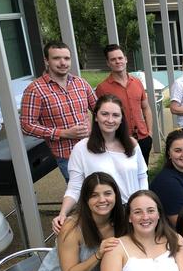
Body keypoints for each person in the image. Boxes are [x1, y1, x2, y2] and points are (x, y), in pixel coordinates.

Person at [52, 95, 148, 233]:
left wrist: (143, 201)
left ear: (121, 119)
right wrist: (63, 213)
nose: (110, 120)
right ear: (96, 116)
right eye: (105, 114)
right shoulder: (81, 149)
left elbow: (142, 176)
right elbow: (74, 187)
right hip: (104, 216)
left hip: (133, 212)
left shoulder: (132, 144)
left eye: (115, 115)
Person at [20, 41, 97, 181]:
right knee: (83, 196)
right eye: (56, 58)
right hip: (68, 157)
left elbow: (99, 109)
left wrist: (94, 126)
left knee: (105, 192)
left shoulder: (80, 83)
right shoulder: (35, 90)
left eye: (66, 58)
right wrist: (63, 133)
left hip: (92, 149)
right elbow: (27, 125)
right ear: (46, 61)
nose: (63, 63)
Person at [96, 44, 153, 165]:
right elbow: (100, 117)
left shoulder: (137, 82)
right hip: (119, 141)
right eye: (113, 59)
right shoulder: (103, 88)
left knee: (144, 174)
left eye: (120, 58)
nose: (118, 61)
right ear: (108, 63)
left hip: (143, 138)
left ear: (125, 59)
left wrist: (150, 133)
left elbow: (146, 107)